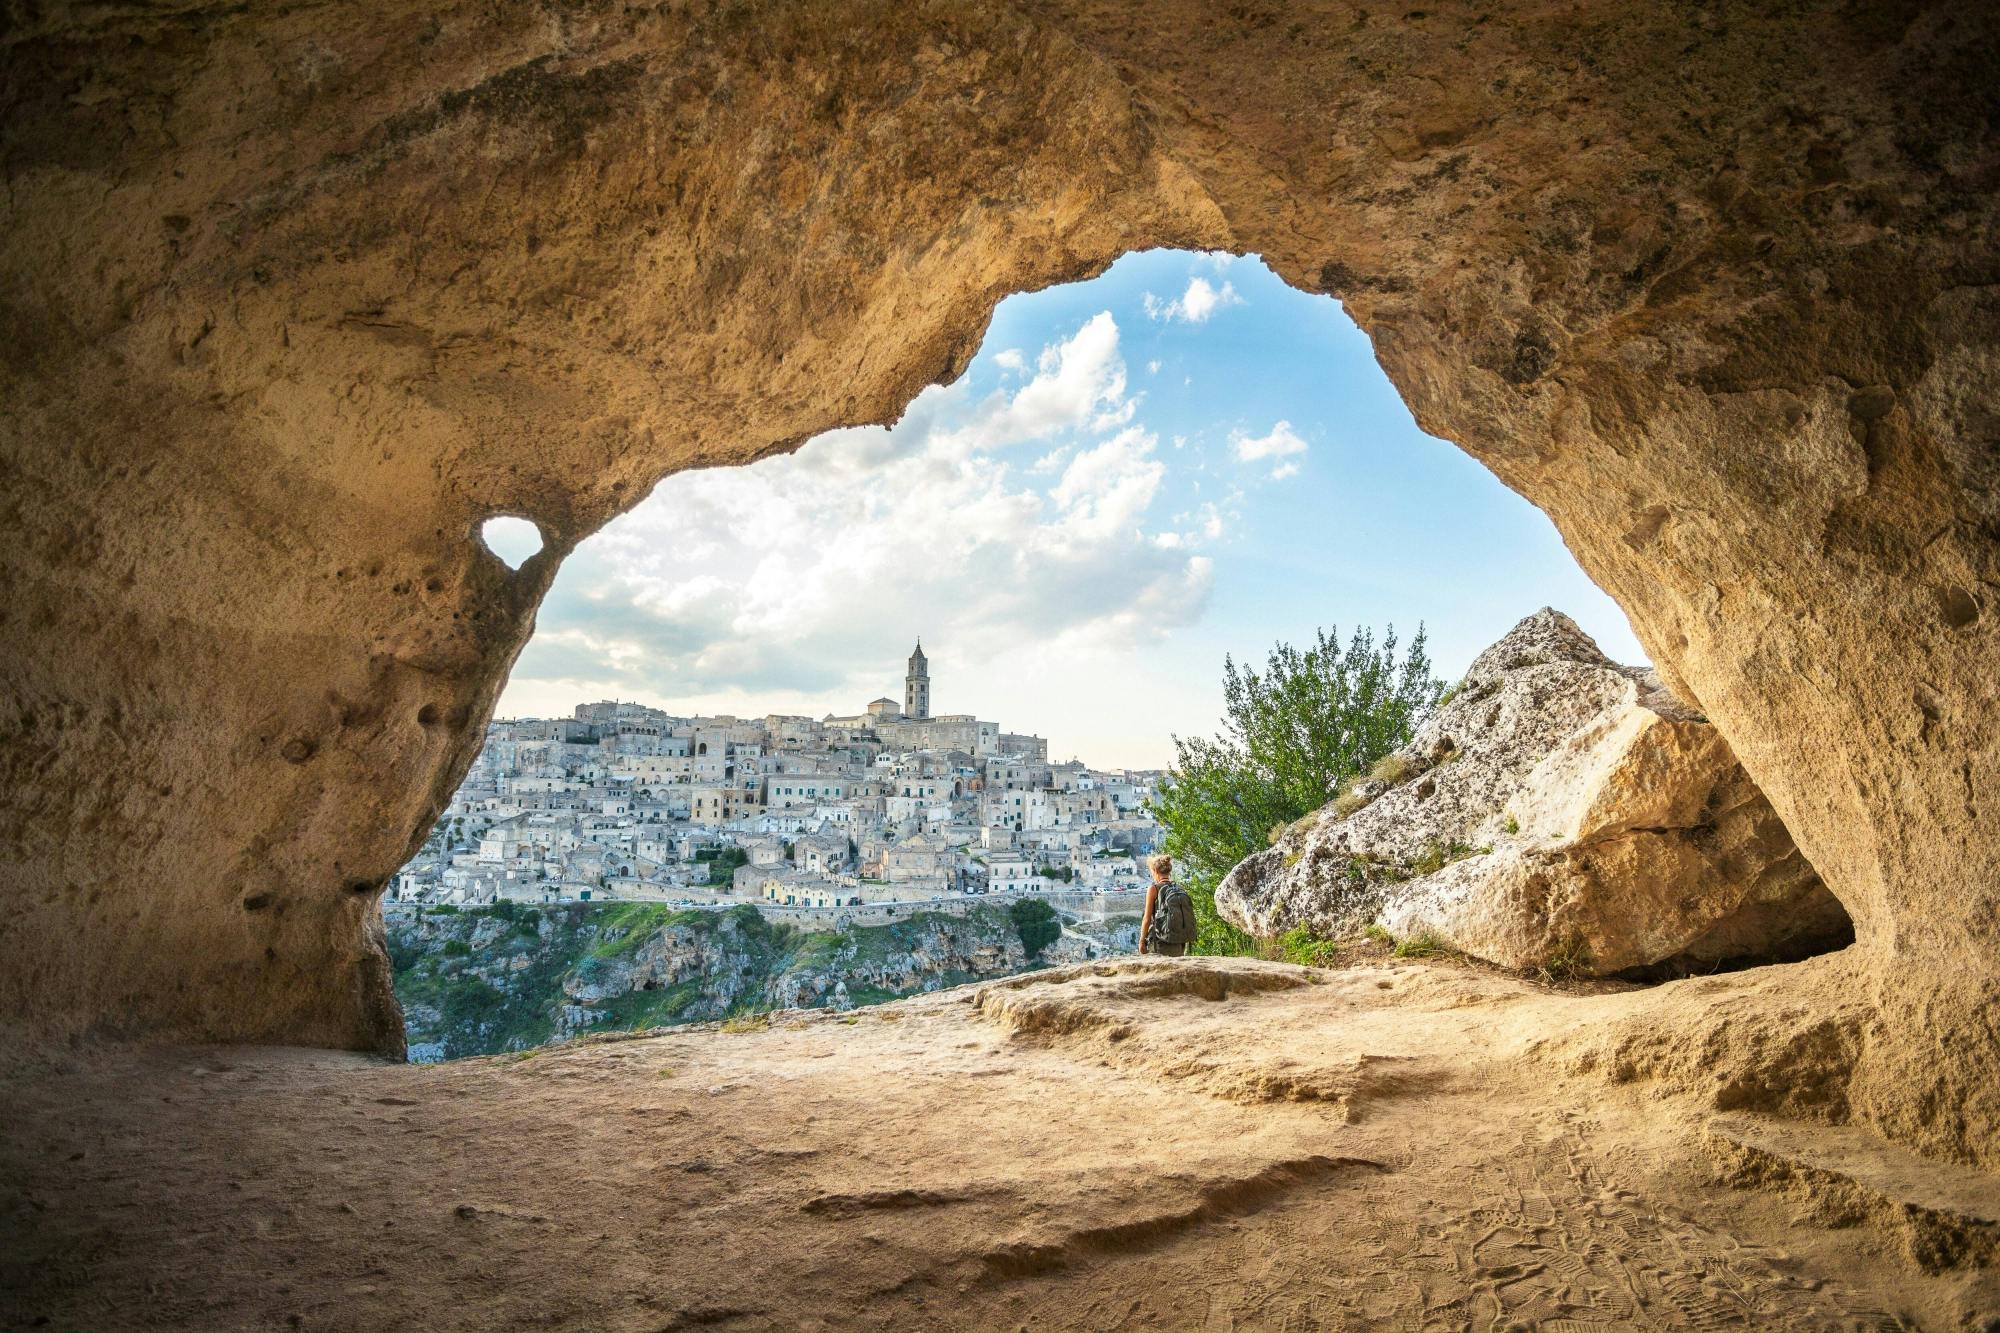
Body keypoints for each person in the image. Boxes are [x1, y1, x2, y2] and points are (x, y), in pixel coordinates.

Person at [1139, 853, 1195, 957]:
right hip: (1179, 942)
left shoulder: (1154, 889)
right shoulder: (1180, 888)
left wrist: (1142, 941)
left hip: (1160, 942)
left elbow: (1146, 918)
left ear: (1155, 871)